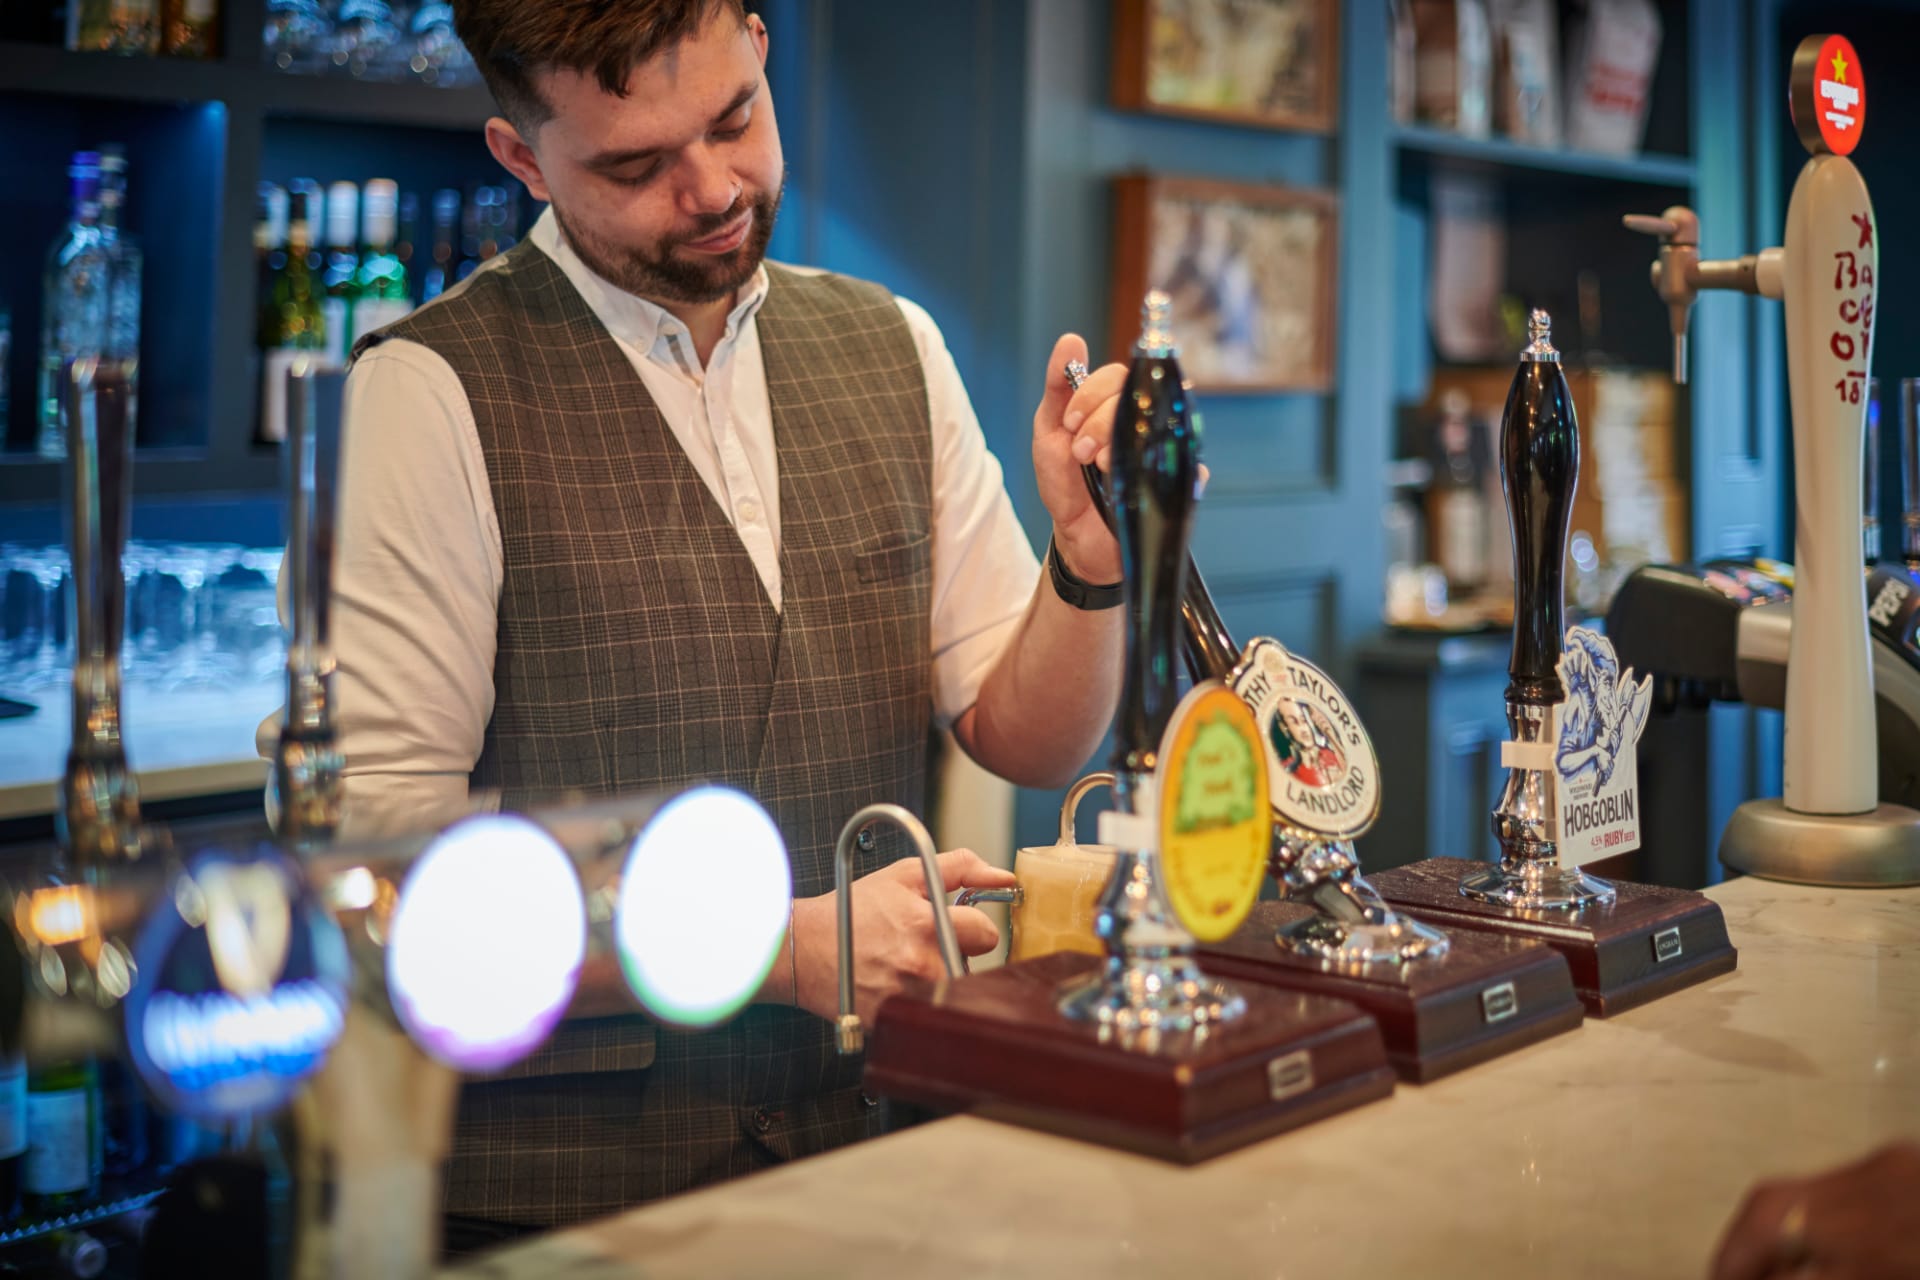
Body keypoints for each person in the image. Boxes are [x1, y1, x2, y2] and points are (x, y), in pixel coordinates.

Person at [296, 0, 1137, 1241]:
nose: (709, 190)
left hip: (865, 1156)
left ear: (756, 38)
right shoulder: (424, 395)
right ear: (522, 158)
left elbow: (1030, 737)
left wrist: (1091, 558)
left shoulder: (893, 345)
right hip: (561, 1205)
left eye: (736, 117)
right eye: (634, 165)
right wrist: (774, 945)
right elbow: (384, 871)